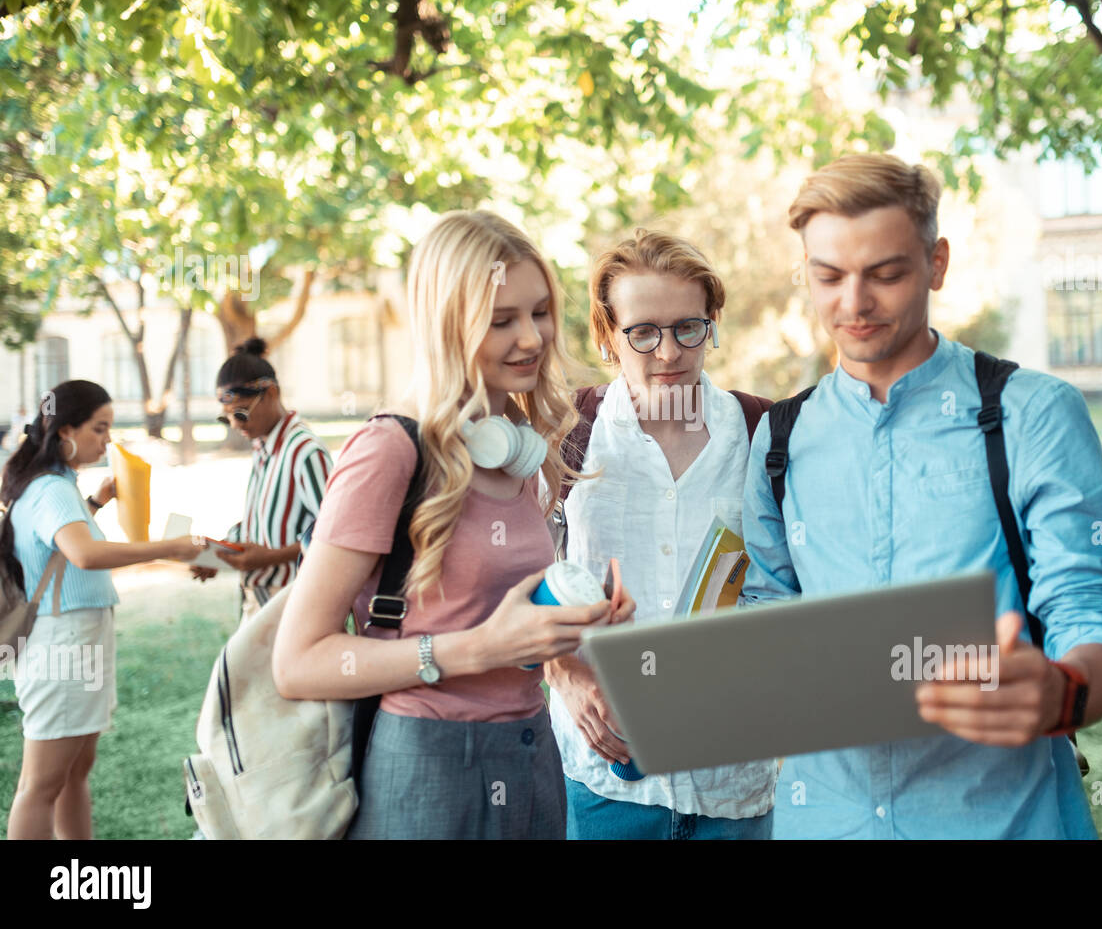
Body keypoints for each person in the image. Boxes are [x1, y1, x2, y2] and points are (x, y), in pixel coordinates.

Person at [740, 154, 1102, 839]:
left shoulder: (1032, 413)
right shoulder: (779, 438)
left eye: (886, 274)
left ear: (938, 264)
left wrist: (1060, 694)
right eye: (828, 276)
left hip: (1002, 818)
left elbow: (1090, 609)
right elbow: (767, 620)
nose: (854, 304)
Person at [273, 210, 632, 839]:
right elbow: (298, 661)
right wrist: (477, 649)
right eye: (501, 321)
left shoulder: (521, 449)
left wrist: (569, 629)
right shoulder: (389, 451)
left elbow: (495, 619)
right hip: (429, 761)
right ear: (448, 325)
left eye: (540, 312)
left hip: (531, 751)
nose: (532, 338)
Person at [545, 229, 778, 839]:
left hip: (732, 785)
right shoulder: (565, 434)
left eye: (688, 328)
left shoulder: (765, 435)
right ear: (606, 336)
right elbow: (518, 578)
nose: (669, 352)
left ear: (713, 325)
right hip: (602, 782)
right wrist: (561, 671)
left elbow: (796, 585)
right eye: (643, 332)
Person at [1, 379, 204, 839]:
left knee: (73, 773)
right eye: (99, 428)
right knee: (42, 784)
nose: (106, 440)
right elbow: (84, 554)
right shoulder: (51, 488)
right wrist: (170, 547)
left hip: (76, 640)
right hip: (64, 645)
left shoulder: (56, 486)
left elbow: (62, 549)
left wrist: (95, 502)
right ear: (66, 430)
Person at [190, 338, 332, 623]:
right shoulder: (263, 446)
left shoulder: (304, 451)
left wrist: (272, 557)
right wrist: (221, 552)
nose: (235, 425)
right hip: (259, 597)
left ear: (271, 393)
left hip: (293, 603)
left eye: (241, 413)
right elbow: (265, 522)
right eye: (226, 418)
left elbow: (334, 535)